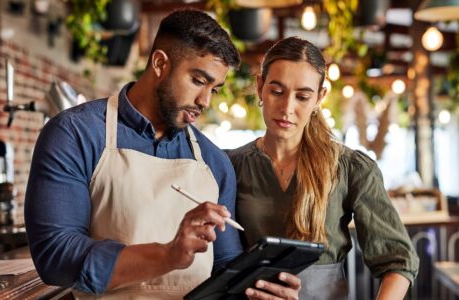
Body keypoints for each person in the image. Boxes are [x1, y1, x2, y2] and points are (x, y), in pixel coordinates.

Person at [24, 10, 299, 299]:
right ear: (159, 63)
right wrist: (168, 255)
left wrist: (260, 290)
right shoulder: (75, 134)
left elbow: (223, 269)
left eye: (214, 89)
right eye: (197, 80)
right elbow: (55, 256)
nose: (204, 101)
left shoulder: (214, 162)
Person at [227, 37, 419, 300]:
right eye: (277, 91)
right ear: (260, 87)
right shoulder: (231, 165)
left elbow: (398, 262)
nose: (287, 108)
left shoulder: (351, 168)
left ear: (320, 97)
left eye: (302, 96)